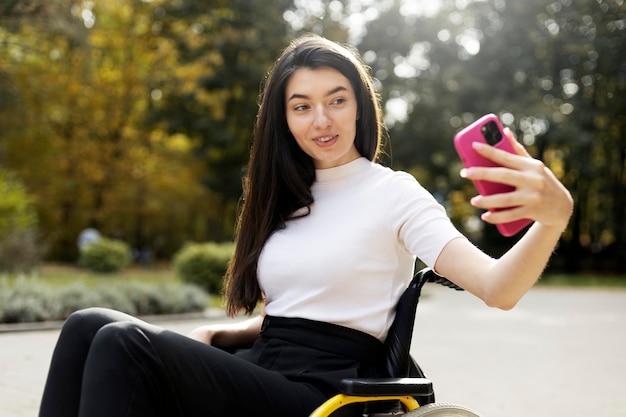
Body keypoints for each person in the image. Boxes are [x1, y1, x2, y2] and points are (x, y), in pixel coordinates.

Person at [38, 34, 573, 417]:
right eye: (302, 106)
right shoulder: (286, 197)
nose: (322, 120)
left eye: (337, 101)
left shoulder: (394, 194)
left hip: (324, 391)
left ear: (359, 108)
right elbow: (294, 309)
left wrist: (554, 218)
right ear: (284, 120)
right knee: (87, 324)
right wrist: (220, 332)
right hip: (262, 363)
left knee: (124, 344)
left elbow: (499, 289)